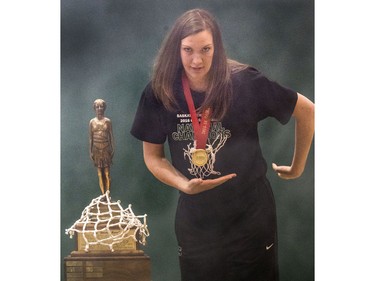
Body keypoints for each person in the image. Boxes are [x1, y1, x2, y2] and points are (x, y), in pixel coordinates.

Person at [131, 8, 314, 281]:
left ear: (216, 47)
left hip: (251, 217)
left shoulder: (244, 82)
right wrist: (183, 184)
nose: (197, 60)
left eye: (206, 49)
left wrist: (298, 167)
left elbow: (307, 110)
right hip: (196, 222)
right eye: (188, 50)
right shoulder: (160, 91)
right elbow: (153, 157)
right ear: (175, 49)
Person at [89, 99, 114, 194]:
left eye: (101, 106)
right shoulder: (92, 122)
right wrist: (90, 151)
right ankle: (103, 196)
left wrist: (113, 149)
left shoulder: (107, 121)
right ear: (94, 108)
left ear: (104, 108)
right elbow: (90, 138)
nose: (99, 108)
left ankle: (108, 195)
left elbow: (111, 136)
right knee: (99, 173)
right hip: (96, 149)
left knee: (107, 173)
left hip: (106, 147)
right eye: (97, 107)